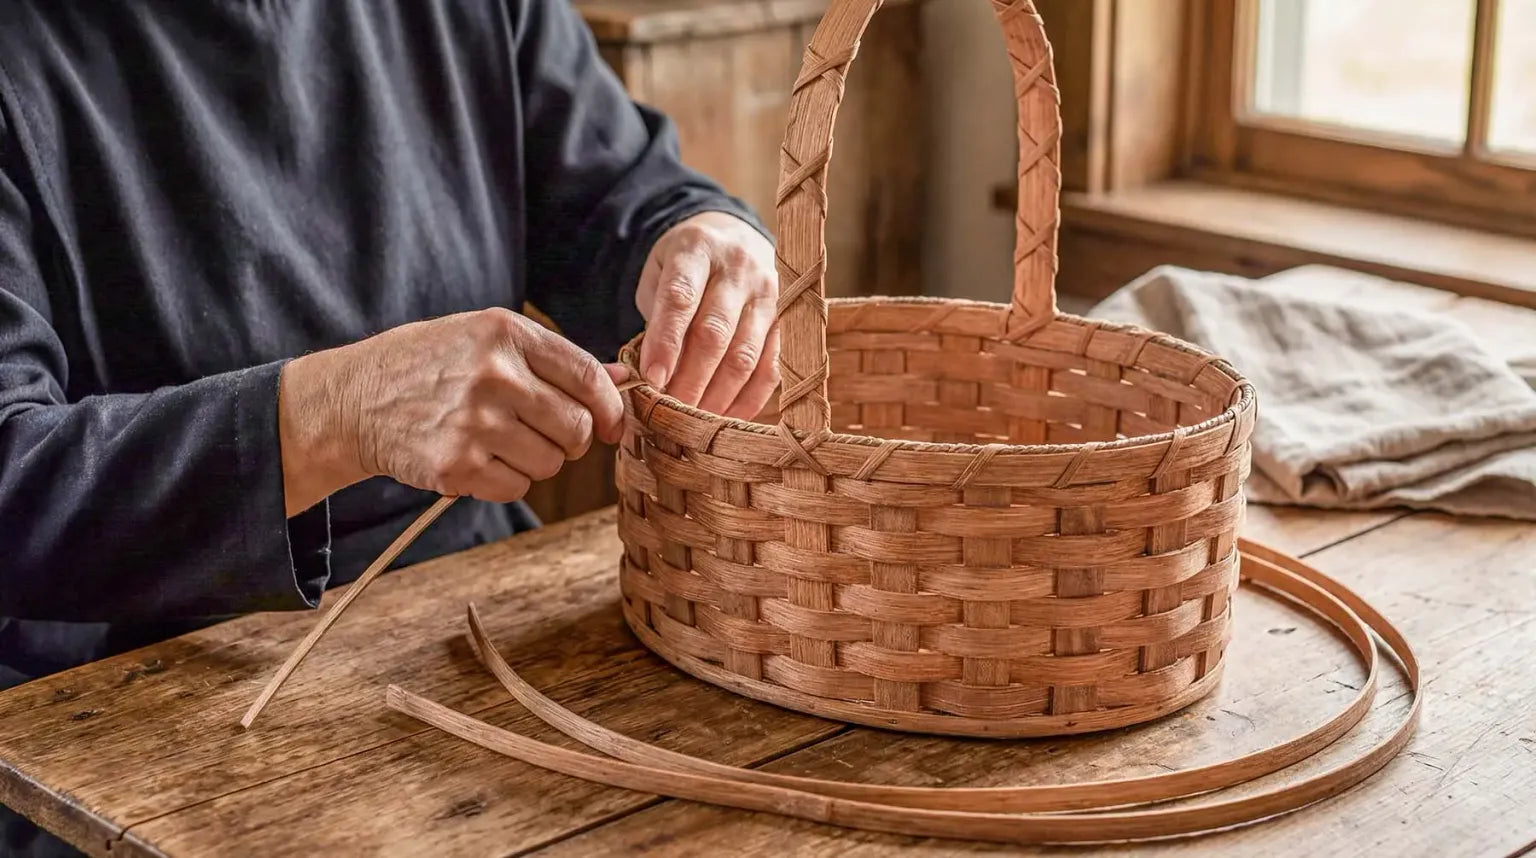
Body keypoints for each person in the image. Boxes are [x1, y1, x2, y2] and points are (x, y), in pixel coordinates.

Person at [0, 1, 778, 853]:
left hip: (477, 619)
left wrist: (699, 239)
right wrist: (335, 415)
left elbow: (618, 199)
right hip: (118, 706)